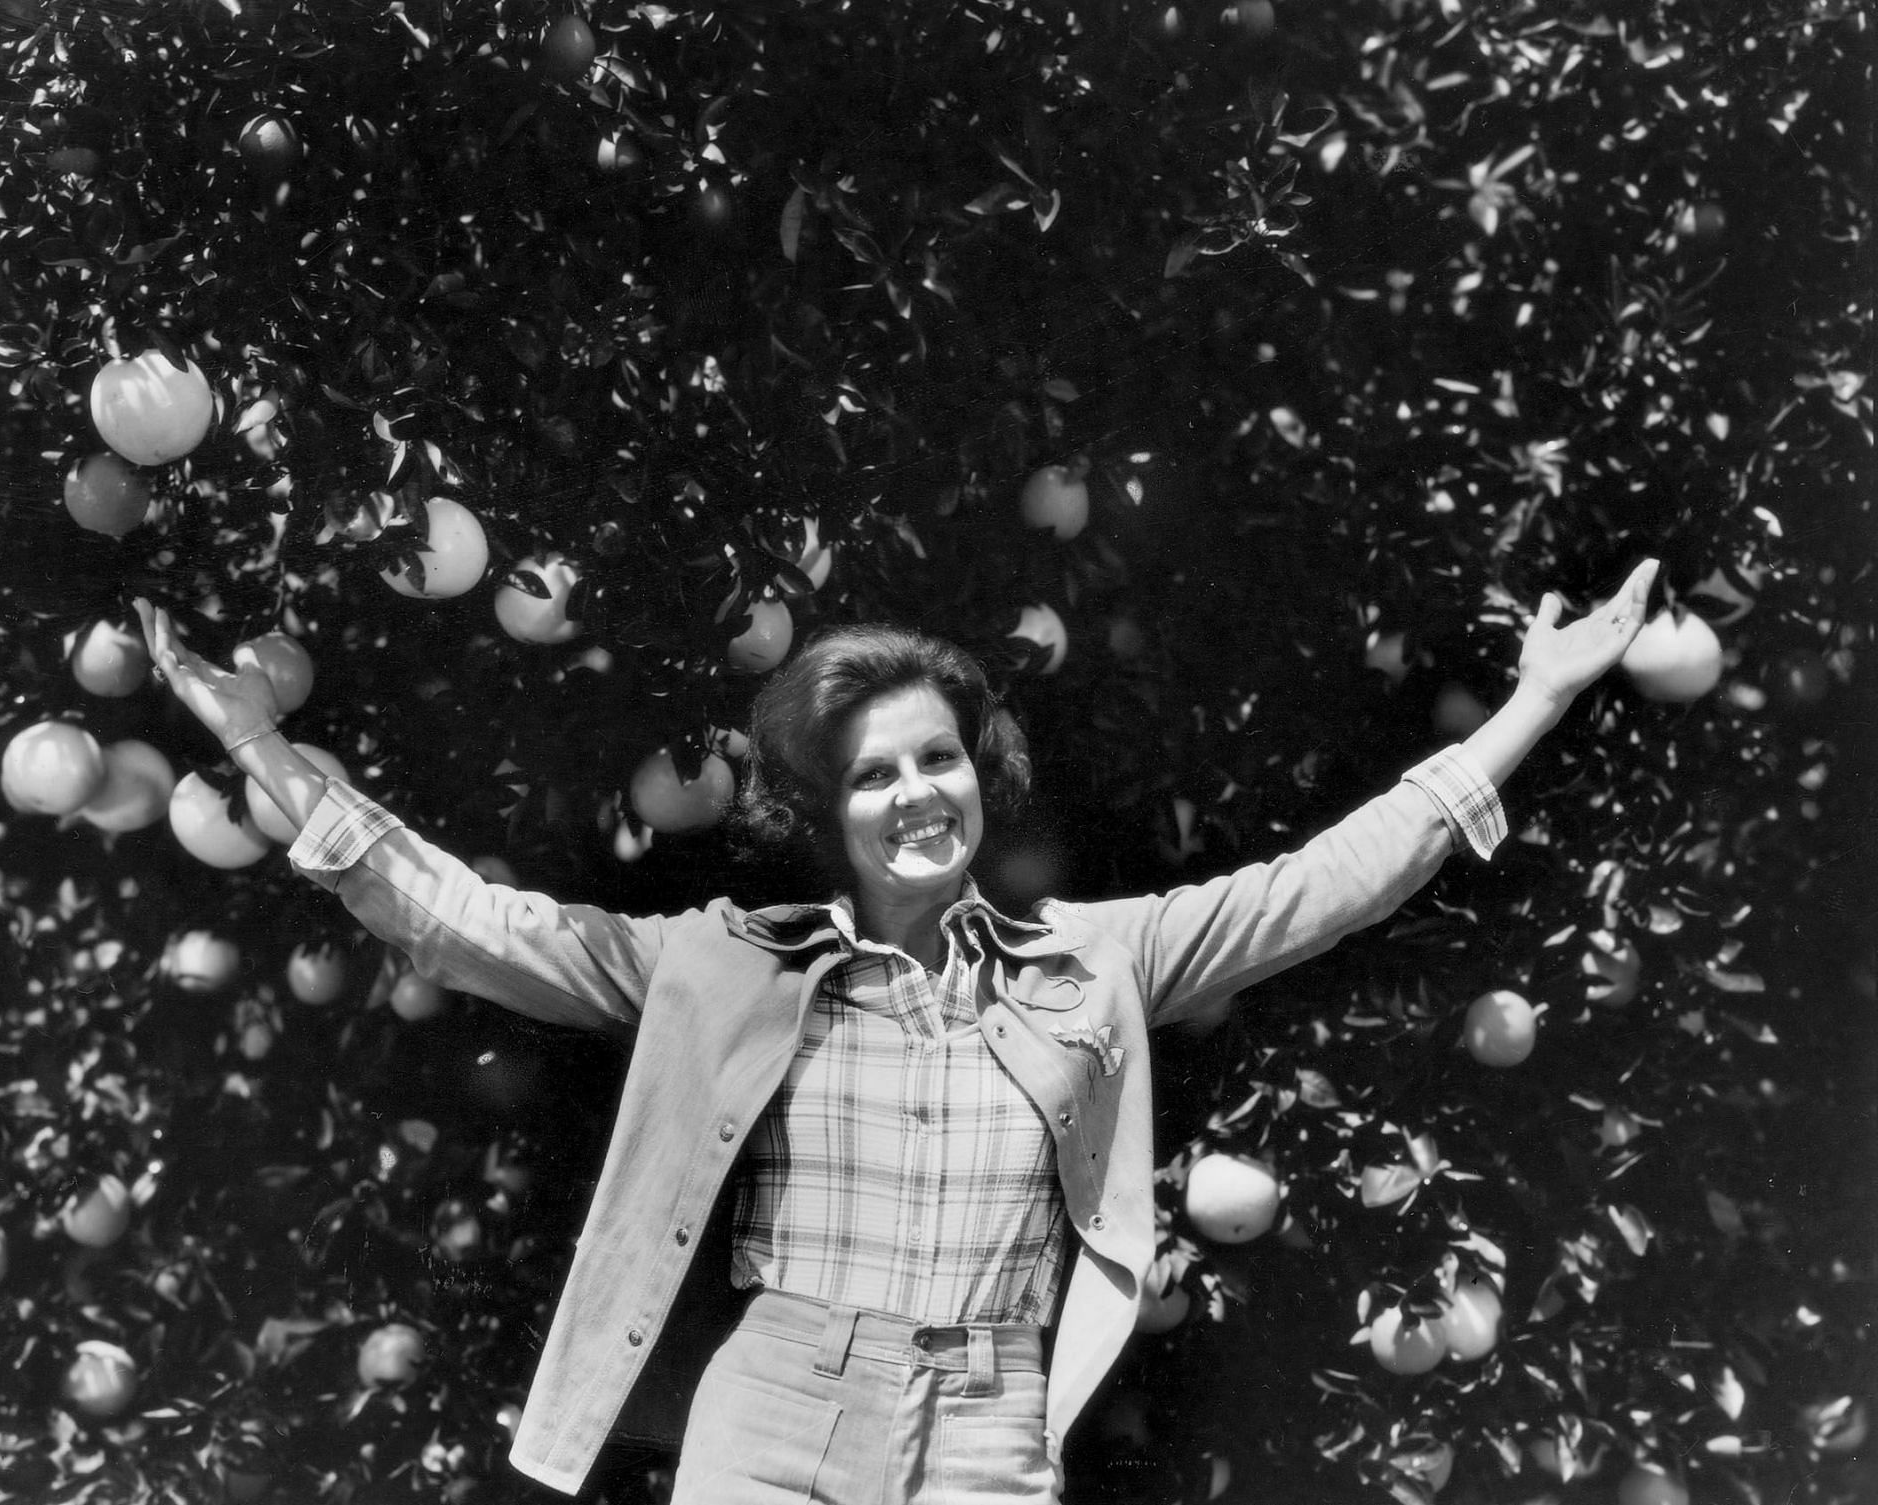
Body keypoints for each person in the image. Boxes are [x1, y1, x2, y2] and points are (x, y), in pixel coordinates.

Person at [133, 559, 1656, 1504]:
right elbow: (473, 925)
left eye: (940, 759)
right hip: (777, 1397)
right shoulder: (725, 965)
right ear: (829, 807)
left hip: (992, 1420)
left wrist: (1535, 702)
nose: (916, 793)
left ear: (978, 772)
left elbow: (1327, 881)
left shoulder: (1095, 958)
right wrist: (262, 745)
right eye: (876, 775)